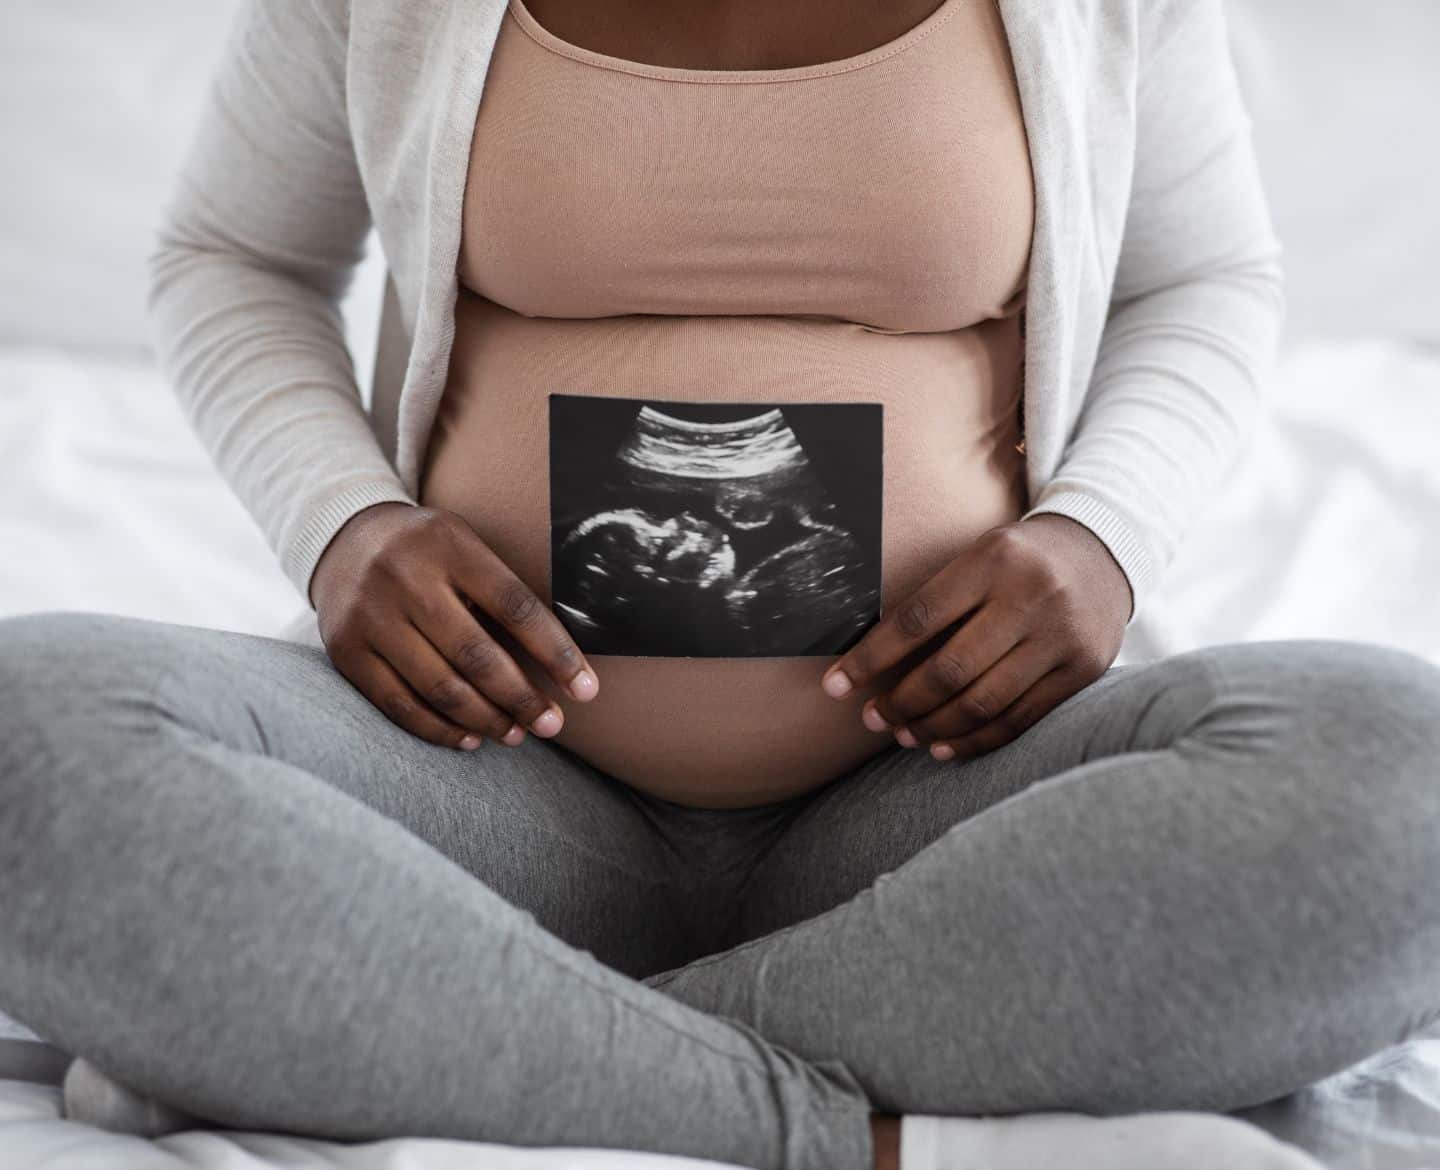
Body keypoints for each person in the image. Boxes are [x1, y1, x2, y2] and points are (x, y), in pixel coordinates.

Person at [1, 0, 1437, 1168]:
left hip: (945, 806)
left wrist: (1103, 538)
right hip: (478, 781)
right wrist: (345, 525)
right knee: (28, 737)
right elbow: (233, 256)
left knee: (1411, 784)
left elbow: (1203, 279)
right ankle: (834, 1130)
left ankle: (413, 1033)